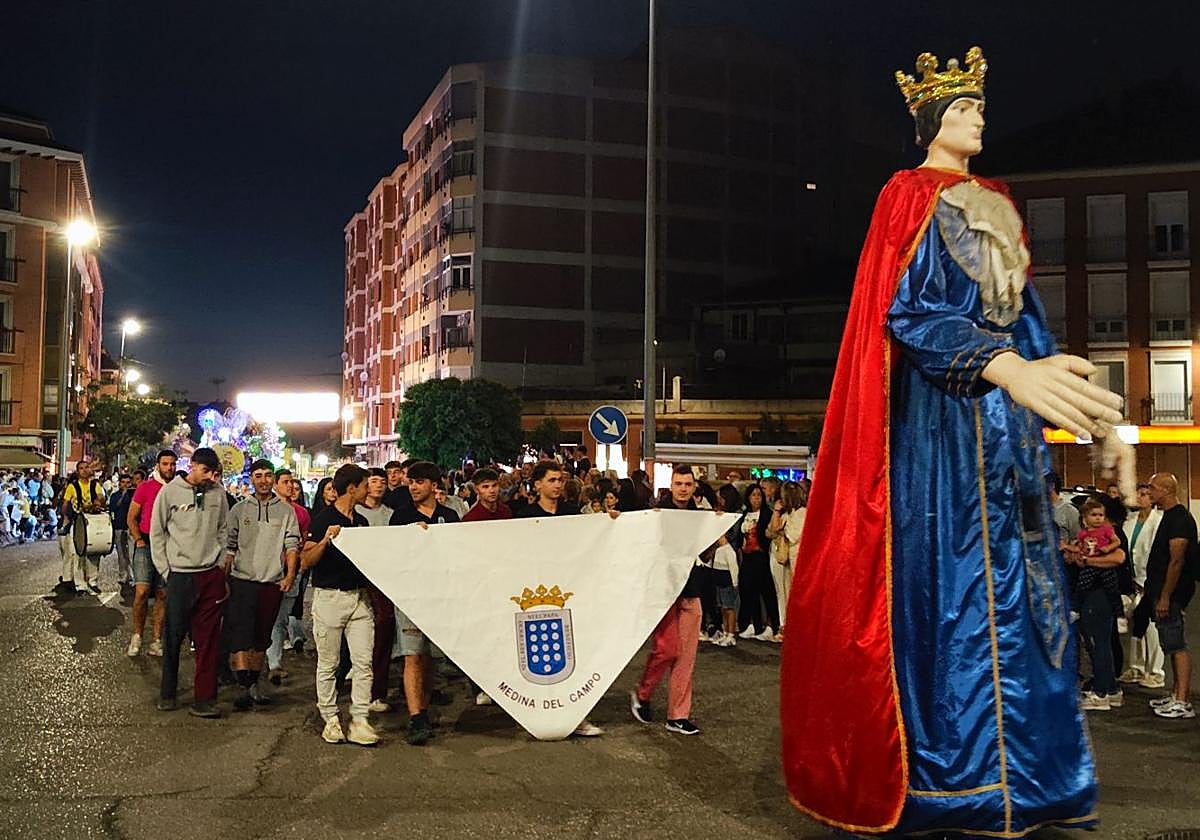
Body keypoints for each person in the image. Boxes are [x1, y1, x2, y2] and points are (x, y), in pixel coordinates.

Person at [781, 47, 1124, 835]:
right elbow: (907, 311)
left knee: (1029, 595)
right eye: (962, 110)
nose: (977, 118)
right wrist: (1002, 364)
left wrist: (1101, 418)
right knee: (955, 594)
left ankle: (1036, 782)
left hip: (1006, 427)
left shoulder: (996, 201)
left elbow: (1031, 327)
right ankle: (954, 784)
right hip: (940, 423)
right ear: (931, 124)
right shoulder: (906, 198)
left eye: (978, 108)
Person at [515, 460, 606, 737]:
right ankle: (538, 715)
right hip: (536, 594)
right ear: (538, 483)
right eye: (552, 480)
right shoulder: (523, 515)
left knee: (575, 655)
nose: (557, 485)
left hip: (568, 592)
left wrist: (610, 522)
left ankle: (577, 715)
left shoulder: (572, 513)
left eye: (560, 480)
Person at [302, 464, 379, 746]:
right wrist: (325, 540)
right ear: (352, 488)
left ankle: (360, 719)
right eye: (364, 485)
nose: (369, 489)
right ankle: (331, 718)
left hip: (358, 598)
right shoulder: (323, 519)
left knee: (362, 662)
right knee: (329, 663)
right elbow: (305, 561)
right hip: (329, 598)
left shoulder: (361, 522)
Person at [151, 448, 230, 719]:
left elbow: (223, 528)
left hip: (210, 574)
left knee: (208, 639)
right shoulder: (170, 493)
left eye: (213, 472)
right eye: (205, 471)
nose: (210, 477)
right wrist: (166, 570)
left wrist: (219, 562)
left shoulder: (218, 494)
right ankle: (168, 692)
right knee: (173, 636)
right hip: (180, 575)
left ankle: (205, 698)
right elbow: (157, 532)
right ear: (193, 466)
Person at [630, 464, 706, 735]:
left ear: (694, 487)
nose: (683, 489)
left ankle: (677, 716)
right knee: (668, 649)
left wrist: (716, 532)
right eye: (679, 484)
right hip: (663, 590)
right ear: (671, 486)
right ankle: (643, 692)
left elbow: (704, 555)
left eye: (688, 484)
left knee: (686, 658)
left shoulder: (702, 518)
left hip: (691, 589)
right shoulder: (657, 514)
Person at [388, 461, 460, 745]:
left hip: (440, 596)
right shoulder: (400, 516)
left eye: (419, 482)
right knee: (412, 655)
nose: (413, 487)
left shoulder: (449, 515)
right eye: (411, 482)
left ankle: (424, 708)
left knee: (430, 658)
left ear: (434, 485)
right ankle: (416, 717)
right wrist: (410, 538)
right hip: (410, 595)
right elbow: (392, 553)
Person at [223, 460, 300, 711]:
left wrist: (289, 575)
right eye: (259, 476)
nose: (264, 480)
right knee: (241, 636)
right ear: (251, 479)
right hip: (242, 581)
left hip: (271, 582)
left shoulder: (286, 511)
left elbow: (291, 545)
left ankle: (253, 684)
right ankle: (244, 687)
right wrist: (223, 580)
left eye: (268, 475)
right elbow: (229, 547)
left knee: (261, 635)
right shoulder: (239, 510)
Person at [1141, 473, 1196, 720]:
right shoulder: (1168, 516)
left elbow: (1176, 561)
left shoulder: (1180, 520)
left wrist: (1165, 596)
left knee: (1177, 644)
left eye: (1151, 487)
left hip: (1172, 594)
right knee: (1170, 645)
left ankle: (1183, 701)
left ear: (1165, 489)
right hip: (1163, 591)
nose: (1148, 491)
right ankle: (1176, 694)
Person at [1064, 498, 1126, 711]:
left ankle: (1101, 692)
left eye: (1100, 514)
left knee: (1098, 644)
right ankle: (1110, 689)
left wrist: (1088, 562)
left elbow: (1118, 558)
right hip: (1093, 595)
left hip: (1098, 596)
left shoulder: (1110, 535)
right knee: (1101, 644)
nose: (1097, 519)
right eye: (1093, 515)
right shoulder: (1087, 536)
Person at [126, 451, 176, 657]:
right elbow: (132, 517)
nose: (169, 468)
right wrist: (138, 539)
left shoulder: (178, 490)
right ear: (158, 465)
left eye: (172, 464)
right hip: (145, 544)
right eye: (165, 464)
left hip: (168, 547)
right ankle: (137, 635)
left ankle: (156, 639)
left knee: (163, 594)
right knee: (142, 592)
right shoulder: (145, 488)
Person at [356, 467, 397, 712]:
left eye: (383, 482)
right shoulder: (356, 513)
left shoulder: (391, 515)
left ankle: (377, 692)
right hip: (359, 581)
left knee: (383, 634)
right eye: (374, 481)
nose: (379, 486)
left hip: (384, 581)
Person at [266, 469, 309, 683]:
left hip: (292, 571)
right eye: (285, 482)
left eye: (292, 482)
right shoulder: (267, 509)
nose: (290, 486)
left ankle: (274, 662)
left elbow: (302, 543)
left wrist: (298, 568)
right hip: (268, 571)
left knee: (281, 619)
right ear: (275, 485)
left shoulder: (301, 512)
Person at [1120, 483, 1165, 688]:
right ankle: (1136, 668)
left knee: (1153, 628)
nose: (1142, 497)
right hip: (1132, 580)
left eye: (1146, 494)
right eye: (1139, 494)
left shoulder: (1159, 521)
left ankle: (1155, 672)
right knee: (1135, 626)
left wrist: (1151, 582)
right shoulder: (1129, 521)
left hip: (1151, 581)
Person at [737, 485, 779, 641]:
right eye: (753, 495)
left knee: (766, 592)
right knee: (748, 590)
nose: (756, 498)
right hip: (747, 557)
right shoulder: (744, 514)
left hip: (761, 556)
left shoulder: (767, 514)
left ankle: (771, 625)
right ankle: (753, 624)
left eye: (759, 495)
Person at [766, 481, 805, 642]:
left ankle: (796, 628)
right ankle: (787, 625)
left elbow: (794, 536)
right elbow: (771, 531)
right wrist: (776, 512)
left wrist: (782, 531)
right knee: (784, 593)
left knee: (796, 594)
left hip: (797, 559)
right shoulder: (786, 514)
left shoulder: (802, 513)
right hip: (785, 558)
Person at [60, 460, 106, 594]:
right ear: (77, 471)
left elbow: (101, 497)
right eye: (81, 468)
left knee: (94, 552)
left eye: (86, 467)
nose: (85, 470)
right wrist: (66, 517)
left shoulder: (95, 485)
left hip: (93, 520)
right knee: (78, 554)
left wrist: (99, 501)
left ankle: (93, 581)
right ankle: (80, 585)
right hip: (78, 521)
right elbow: (65, 504)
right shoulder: (72, 486)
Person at [108, 474, 135, 586]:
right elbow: (114, 507)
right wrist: (123, 495)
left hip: (131, 527)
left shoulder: (133, 495)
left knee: (132, 553)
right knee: (121, 553)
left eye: (128, 482)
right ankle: (123, 575)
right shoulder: (115, 495)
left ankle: (133, 576)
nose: (125, 485)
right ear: (119, 483)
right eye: (123, 482)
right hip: (119, 526)